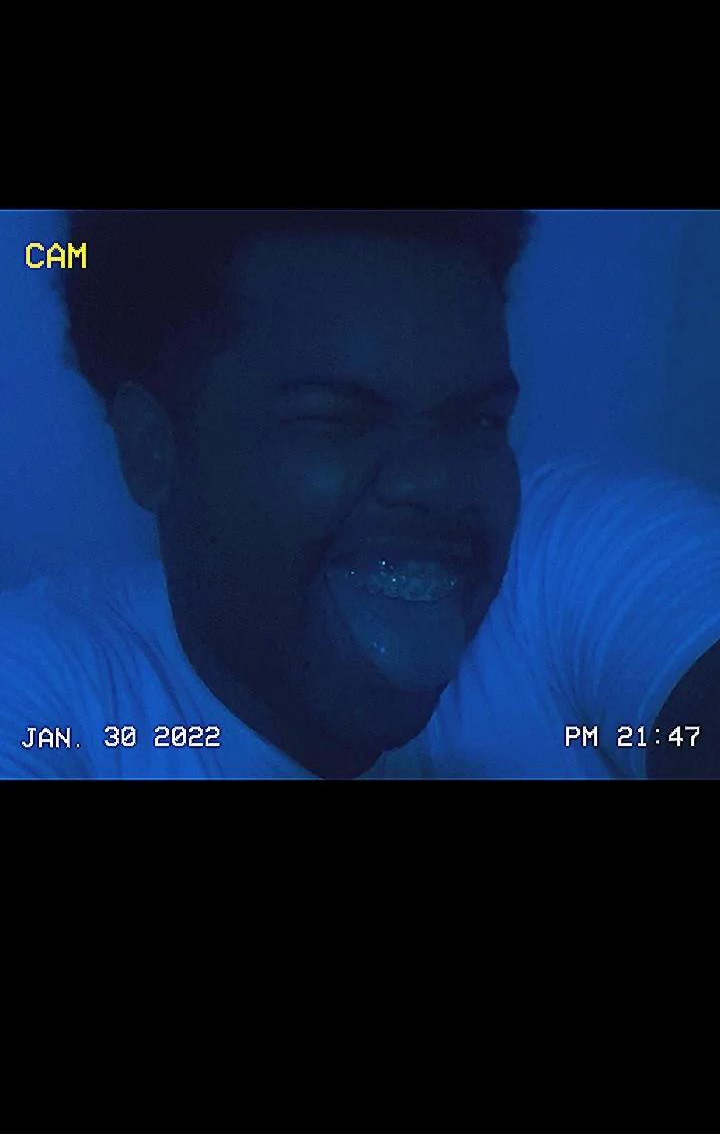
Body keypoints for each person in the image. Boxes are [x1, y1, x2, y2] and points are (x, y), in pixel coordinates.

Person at [1, 208, 719, 780]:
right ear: (151, 449)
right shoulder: (45, 692)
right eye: (336, 419)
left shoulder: (581, 560)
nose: (436, 482)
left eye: (475, 421)